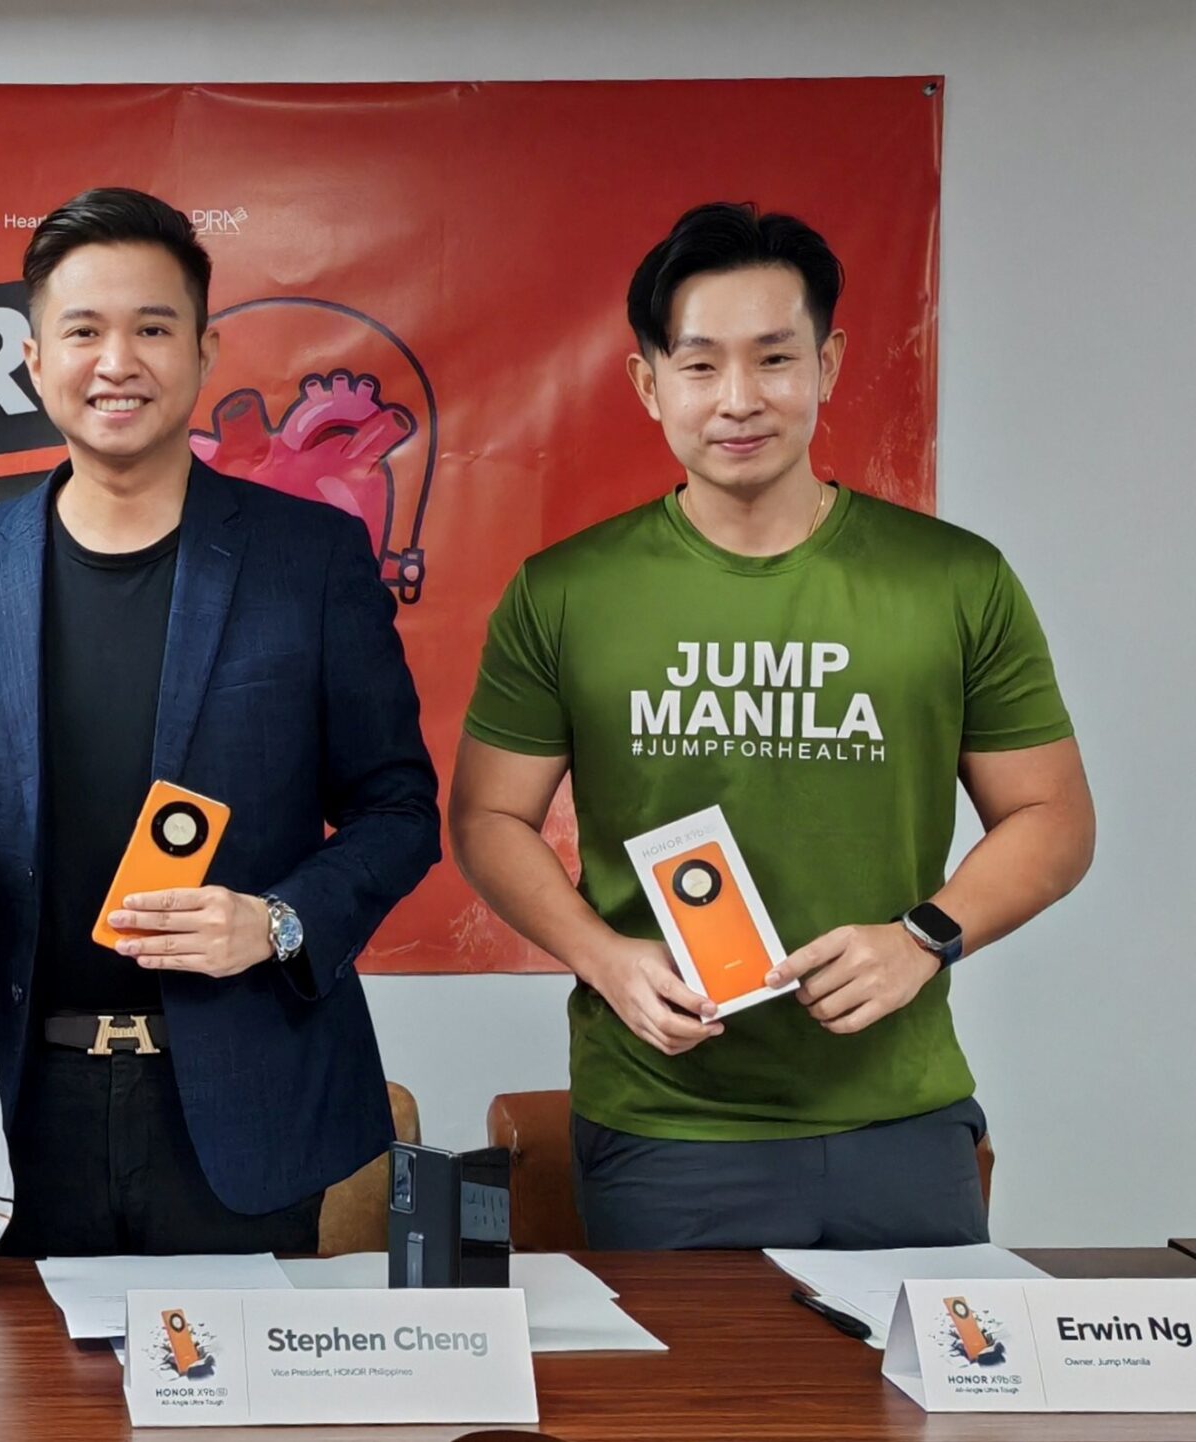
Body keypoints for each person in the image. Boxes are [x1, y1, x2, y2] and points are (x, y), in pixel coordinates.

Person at [450, 202, 1096, 1249]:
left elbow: (1053, 815)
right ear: (645, 381)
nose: (738, 399)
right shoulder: (565, 591)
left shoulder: (952, 579)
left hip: (898, 1111)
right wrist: (605, 958)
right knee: (698, 1413)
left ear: (828, 365)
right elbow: (485, 815)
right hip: (666, 1119)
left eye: (774, 358)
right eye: (699, 365)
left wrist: (923, 938)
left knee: (917, 1415)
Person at [0, 189, 440, 1255]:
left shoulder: (309, 559)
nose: (116, 361)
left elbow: (399, 807)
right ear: (32, 357)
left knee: (230, 1423)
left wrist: (276, 919)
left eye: (151, 327)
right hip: (4, 1106)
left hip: (238, 1102)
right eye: (83, 330)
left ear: (205, 347)